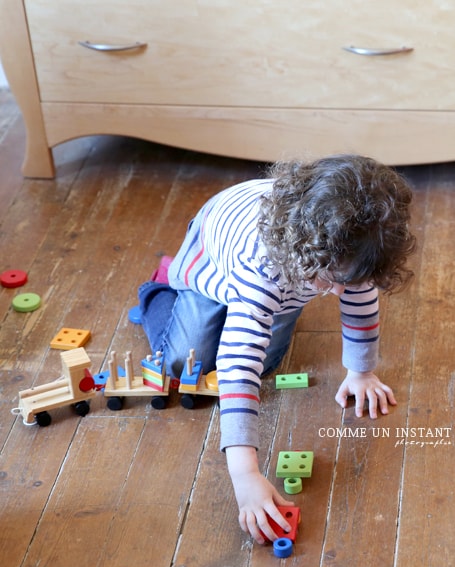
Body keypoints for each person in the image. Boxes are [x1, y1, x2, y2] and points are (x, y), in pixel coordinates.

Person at [135, 154, 416, 544]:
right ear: (308, 254)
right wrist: (245, 475)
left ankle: (276, 301)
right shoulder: (262, 266)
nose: (338, 292)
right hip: (210, 270)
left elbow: (359, 302)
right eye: (331, 280)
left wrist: (361, 371)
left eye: (346, 281)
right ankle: (161, 289)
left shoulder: (354, 251)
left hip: (287, 275)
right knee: (185, 366)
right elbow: (237, 361)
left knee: (266, 363)